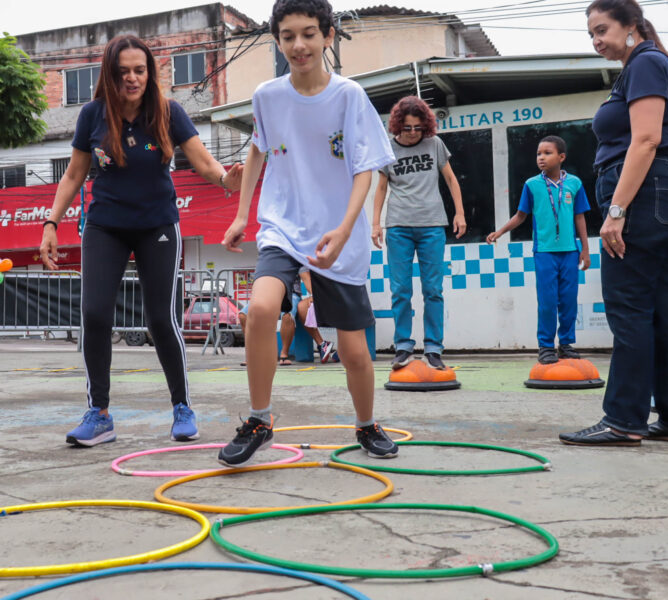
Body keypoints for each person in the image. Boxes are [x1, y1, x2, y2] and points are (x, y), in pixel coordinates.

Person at [218, 0, 398, 466]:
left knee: (354, 349)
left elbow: (367, 171)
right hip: (282, 223)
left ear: (328, 36)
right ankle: (259, 419)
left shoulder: (349, 96)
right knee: (260, 309)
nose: (298, 45)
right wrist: (242, 214)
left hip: (338, 233)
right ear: (277, 41)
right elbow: (258, 148)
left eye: (308, 34)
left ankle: (366, 424)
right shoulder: (267, 96)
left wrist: (343, 229)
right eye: (288, 36)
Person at [39, 35, 242, 447]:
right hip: (106, 225)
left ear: (149, 74)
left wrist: (225, 179)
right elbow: (74, 174)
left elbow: (202, 160)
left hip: (158, 226)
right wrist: (51, 222)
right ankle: (99, 415)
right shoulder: (93, 115)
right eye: (123, 72)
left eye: (139, 70)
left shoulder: (168, 112)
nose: (132, 79)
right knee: (94, 315)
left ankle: (182, 407)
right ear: (110, 76)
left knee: (160, 319)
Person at [561, 0, 668, 446]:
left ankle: (623, 419)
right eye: (591, 34)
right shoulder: (649, 65)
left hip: (644, 197)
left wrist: (616, 211)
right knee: (663, 306)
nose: (597, 40)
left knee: (628, 307)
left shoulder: (644, 63)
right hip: (660, 194)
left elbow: (645, 139)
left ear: (631, 25)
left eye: (602, 29)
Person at [372, 96, 465, 371]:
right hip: (399, 226)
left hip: (432, 226)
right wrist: (376, 223)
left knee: (433, 290)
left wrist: (459, 213)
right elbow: (381, 187)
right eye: (408, 127)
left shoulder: (434, 144)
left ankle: (434, 348)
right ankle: (403, 346)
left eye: (418, 127)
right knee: (400, 290)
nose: (413, 133)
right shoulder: (388, 148)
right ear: (397, 125)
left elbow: (450, 178)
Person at [486, 136, 591, 364]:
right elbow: (520, 215)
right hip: (544, 252)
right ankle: (545, 346)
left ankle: (566, 343)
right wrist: (500, 232)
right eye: (538, 154)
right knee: (547, 300)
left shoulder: (575, 183)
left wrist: (585, 249)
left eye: (547, 153)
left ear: (561, 157)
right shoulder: (532, 185)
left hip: (570, 251)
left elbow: (579, 216)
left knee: (568, 300)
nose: (541, 158)